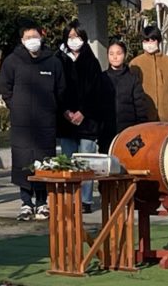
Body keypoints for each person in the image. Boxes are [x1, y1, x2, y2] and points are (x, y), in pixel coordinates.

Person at [0, 20, 65, 222]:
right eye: (28, 37)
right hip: (21, 122)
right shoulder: (12, 61)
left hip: (46, 121)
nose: (32, 40)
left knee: (45, 161)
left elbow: (61, 89)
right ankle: (26, 202)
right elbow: (4, 86)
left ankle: (43, 202)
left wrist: (53, 106)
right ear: (22, 40)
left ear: (41, 37)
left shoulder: (53, 62)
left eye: (35, 36)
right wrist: (15, 104)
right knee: (23, 161)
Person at [55, 22, 106, 214]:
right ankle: (70, 197)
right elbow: (56, 89)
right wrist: (65, 111)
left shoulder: (91, 61)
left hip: (88, 121)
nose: (73, 40)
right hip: (66, 121)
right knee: (68, 162)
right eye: (70, 36)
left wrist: (83, 112)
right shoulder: (59, 59)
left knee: (86, 162)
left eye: (77, 36)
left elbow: (96, 91)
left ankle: (85, 199)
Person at [99, 39, 148, 151]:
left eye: (119, 53)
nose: (115, 57)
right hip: (106, 133)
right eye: (111, 54)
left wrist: (140, 132)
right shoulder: (101, 78)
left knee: (129, 160)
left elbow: (140, 108)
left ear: (125, 55)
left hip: (130, 132)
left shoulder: (133, 79)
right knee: (108, 160)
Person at [130, 25, 168, 123]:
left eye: (152, 40)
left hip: (167, 118)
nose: (149, 44)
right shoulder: (135, 64)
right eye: (146, 41)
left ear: (158, 41)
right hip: (144, 118)